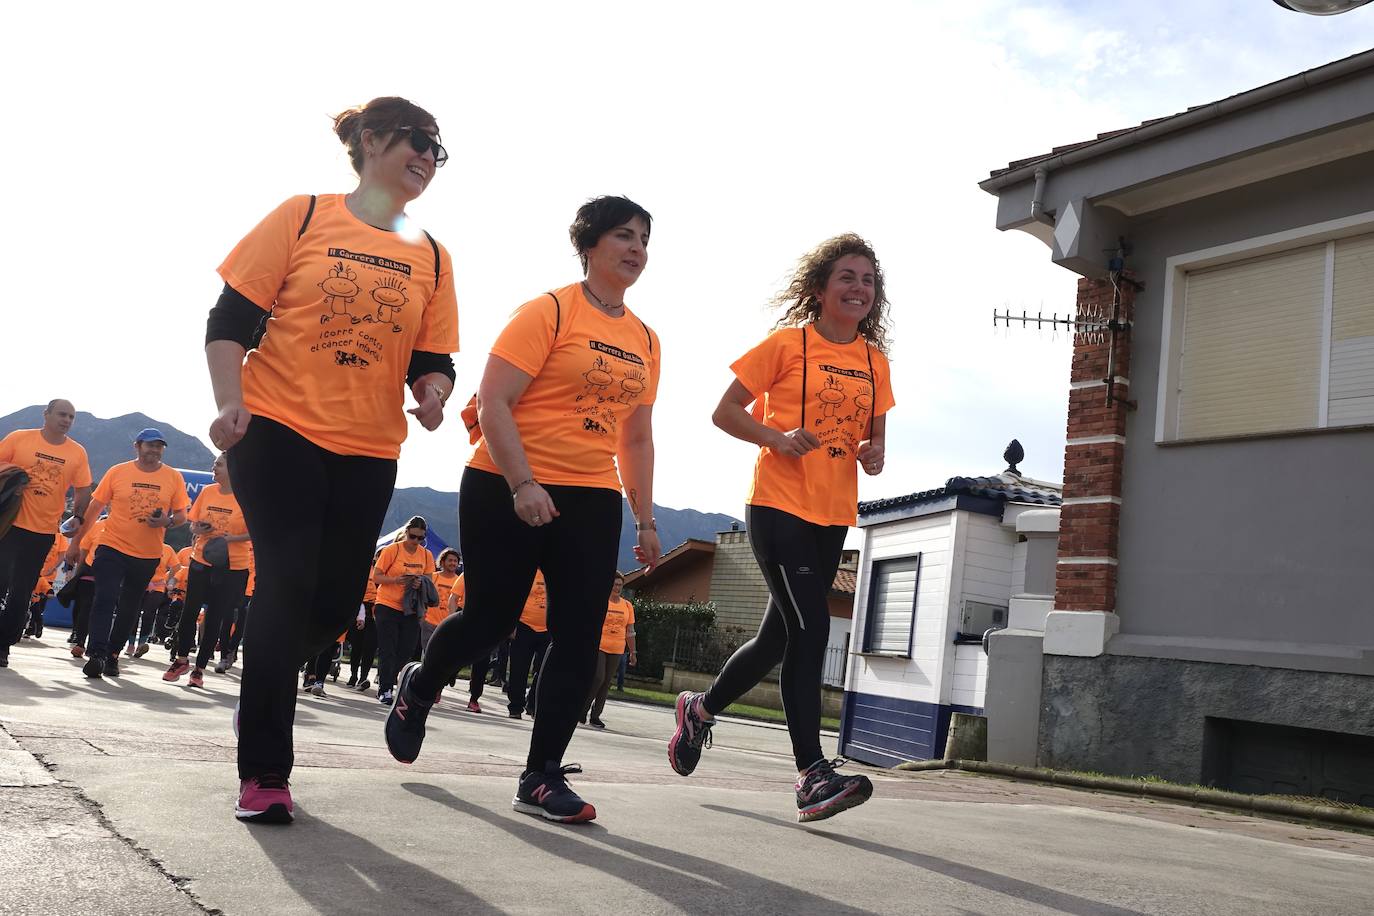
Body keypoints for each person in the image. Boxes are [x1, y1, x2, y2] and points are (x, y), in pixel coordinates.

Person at [205, 95, 458, 824]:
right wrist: (229, 401)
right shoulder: (305, 215)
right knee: (284, 583)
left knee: (332, 601)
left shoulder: (432, 253)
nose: (428, 159)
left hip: (370, 446)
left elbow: (433, 356)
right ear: (373, 139)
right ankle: (265, 771)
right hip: (277, 428)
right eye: (419, 141)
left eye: (438, 152)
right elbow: (229, 319)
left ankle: (269, 670)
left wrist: (434, 393)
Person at [384, 195, 661, 825]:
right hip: (505, 480)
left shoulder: (645, 338)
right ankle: (419, 687)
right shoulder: (549, 311)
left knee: (579, 634)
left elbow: (636, 437)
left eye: (645, 239)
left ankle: (539, 777)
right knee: (491, 619)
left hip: (592, 493)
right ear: (589, 244)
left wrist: (644, 520)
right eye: (624, 235)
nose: (637, 248)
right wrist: (523, 483)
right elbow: (494, 403)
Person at [667, 234, 896, 824]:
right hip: (778, 505)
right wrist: (775, 437)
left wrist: (873, 454)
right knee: (811, 628)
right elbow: (725, 412)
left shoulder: (875, 362)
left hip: (831, 515)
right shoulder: (786, 344)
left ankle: (701, 708)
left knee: (777, 638)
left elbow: (876, 438)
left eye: (868, 280)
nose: (858, 288)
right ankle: (811, 776)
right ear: (819, 289)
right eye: (846, 276)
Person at [63, 429, 189, 678]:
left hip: (147, 554)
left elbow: (183, 516)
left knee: (130, 607)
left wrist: (167, 521)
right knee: (105, 598)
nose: (154, 450)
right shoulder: (118, 471)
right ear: (137, 446)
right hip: (112, 546)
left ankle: (112, 655)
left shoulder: (173, 477)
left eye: (159, 446)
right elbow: (94, 509)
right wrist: (75, 544)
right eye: (149, 445)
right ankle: (97, 654)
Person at [0, 400, 93, 668]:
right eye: (62, 414)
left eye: (71, 416)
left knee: (21, 592)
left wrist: (77, 516)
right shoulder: (19, 439)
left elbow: (83, 489)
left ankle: (3, 645)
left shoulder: (76, 452)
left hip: (42, 532)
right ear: (47, 415)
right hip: (8, 524)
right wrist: (12, 481)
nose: (66, 420)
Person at [164, 454, 252, 688]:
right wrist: (200, 527)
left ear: (234, 468)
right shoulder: (208, 492)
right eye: (214, 463)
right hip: (201, 559)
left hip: (232, 566)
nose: (214, 467)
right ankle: (181, 660)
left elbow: (257, 532)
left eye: (219, 464)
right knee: (189, 610)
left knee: (215, 618)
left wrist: (231, 538)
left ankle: (199, 670)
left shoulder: (247, 496)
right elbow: (193, 524)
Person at [371, 517, 436, 705]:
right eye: (413, 536)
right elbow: (377, 575)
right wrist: (396, 580)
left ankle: (388, 678)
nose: (416, 541)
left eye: (420, 538)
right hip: (387, 604)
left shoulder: (426, 555)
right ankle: (385, 689)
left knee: (406, 649)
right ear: (406, 532)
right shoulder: (393, 550)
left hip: (411, 607)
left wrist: (419, 582)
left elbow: (429, 579)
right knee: (388, 648)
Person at [580, 573, 636, 729]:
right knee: (598, 677)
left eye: (620, 585)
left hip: (617, 649)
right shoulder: (601, 602)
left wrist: (633, 652)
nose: (617, 588)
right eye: (614, 584)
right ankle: (582, 710)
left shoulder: (627, 606)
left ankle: (596, 716)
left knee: (606, 683)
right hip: (599, 646)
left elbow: (630, 631)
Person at [505, 571, 548, 719]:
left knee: (544, 671)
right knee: (518, 669)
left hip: (548, 629)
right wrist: (511, 625)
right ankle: (516, 706)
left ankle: (533, 704)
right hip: (524, 626)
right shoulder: (527, 571)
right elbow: (513, 599)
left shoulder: (558, 572)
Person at [347, 568, 379, 690]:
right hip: (360, 608)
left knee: (370, 647)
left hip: (377, 611)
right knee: (356, 646)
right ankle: (353, 675)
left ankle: (363, 677)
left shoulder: (386, 572)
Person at [424, 547, 461, 654]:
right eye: (450, 560)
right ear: (442, 561)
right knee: (428, 652)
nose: (453, 563)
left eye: (455, 561)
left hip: (447, 625)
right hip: (429, 622)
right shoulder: (433, 577)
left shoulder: (459, 580)